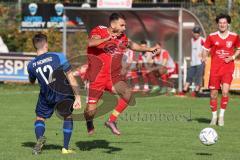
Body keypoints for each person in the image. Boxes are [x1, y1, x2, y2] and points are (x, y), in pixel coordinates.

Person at [85, 13, 160, 135]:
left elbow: (132, 45)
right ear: (113, 24)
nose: (124, 28)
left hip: (113, 77)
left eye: (125, 25)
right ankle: (89, 121)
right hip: (96, 77)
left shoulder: (122, 37)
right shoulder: (99, 30)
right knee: (91, 110)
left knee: (128, 94)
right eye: (122, 25)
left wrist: (149, 49)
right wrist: (108, 38)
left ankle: (111, 120)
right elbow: (91, 43)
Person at [27, 33, 81, 154]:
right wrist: (77, 97)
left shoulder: (31, 65)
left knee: (40, 118)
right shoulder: (58, 56)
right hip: (63, 93)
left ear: (35, 46)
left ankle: (39, 141)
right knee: (67, 117)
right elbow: (71, 77)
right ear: (46, 44)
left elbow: (31, 81)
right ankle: (65, 148)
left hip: (46, 95)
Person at [202, 13, 240, 126]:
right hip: (214, 69)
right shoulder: (212, 36)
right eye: (220, 23)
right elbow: (205, 49)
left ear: (228, 24)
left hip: (228, 68)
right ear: (217, 24)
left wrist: (233, 57)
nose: (222, 25)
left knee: (225, 91)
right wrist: (204, 57)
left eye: (224, 23)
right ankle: (214, 117)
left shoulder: (234, 36)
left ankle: (221, 116)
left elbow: (239, 48)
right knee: (213, 94)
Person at [183, 26, 205, 96]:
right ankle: (184, 90)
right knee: (189, 75)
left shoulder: (202, 40)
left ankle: (196, 91)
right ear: (193, 33)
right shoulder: (191, 40)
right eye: (195, 33)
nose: (196, 34)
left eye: (198, 33)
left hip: (200, 62)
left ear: (200, 33)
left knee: (198, 77)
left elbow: (207, 48)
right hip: (193, 62)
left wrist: (202, 54)